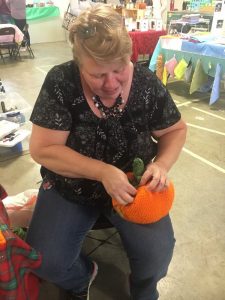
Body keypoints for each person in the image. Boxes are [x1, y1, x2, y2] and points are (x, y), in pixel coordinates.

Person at [26, 4, 187, 300]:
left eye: (119, 70)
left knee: (157, 255)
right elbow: (44, 149)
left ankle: (143, 291)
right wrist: (102, 172)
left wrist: (162, 164)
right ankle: (82, 277)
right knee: (45, 262)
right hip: (71, 186)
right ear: (78, 63)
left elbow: (175, 130)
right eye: (98, 74)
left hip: (134, 188)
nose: (111, 83)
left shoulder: (145, 82)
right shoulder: (61, 82)